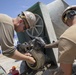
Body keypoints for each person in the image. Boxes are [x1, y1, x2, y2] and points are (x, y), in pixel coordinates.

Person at [44, 5, 76, 75]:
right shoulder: (68, 37)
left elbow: (65, 72)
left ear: (68, 16)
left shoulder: (67, 37)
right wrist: (45, 46)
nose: (67, 25)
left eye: (65, 22)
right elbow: (65, 41)